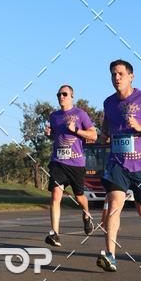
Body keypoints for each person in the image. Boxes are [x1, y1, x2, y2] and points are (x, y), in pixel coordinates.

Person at [96, 60, 141, 272]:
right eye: (113, 74)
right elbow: (106, 128)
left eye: (120, 74)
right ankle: (110, 255)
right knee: (114, 206)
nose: (116, 78)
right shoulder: (108, 103)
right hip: (117, 164)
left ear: (131, 76)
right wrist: (101, 138)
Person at [44, 85, 97, 247]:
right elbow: (56, 135)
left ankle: (87, 215)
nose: (61, 96)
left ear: (72, 96)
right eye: (59, 94)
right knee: (55, 197)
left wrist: (76, 131)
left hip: (76, 164)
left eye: (64, 94)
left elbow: (93, 135)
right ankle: (55, 234)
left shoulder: (80, 114)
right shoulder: (54, 116)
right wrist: (49, 134)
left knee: (80, 197)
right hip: (58, 162)